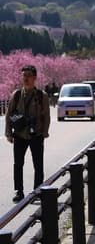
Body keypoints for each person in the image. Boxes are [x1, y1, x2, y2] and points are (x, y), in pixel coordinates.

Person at [5, 65, 50, 203]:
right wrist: (8, 133)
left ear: (34, 78)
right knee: (18, 163)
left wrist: (44, 132)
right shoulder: (16, 94)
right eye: (24, 75)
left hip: (36, 134)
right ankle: (19, 191)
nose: (25, 78)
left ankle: (38, 190)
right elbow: (9, 114)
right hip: (19, 134)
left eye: (28, 75)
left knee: (38, 164)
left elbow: (46, 116)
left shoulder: (42, 96)